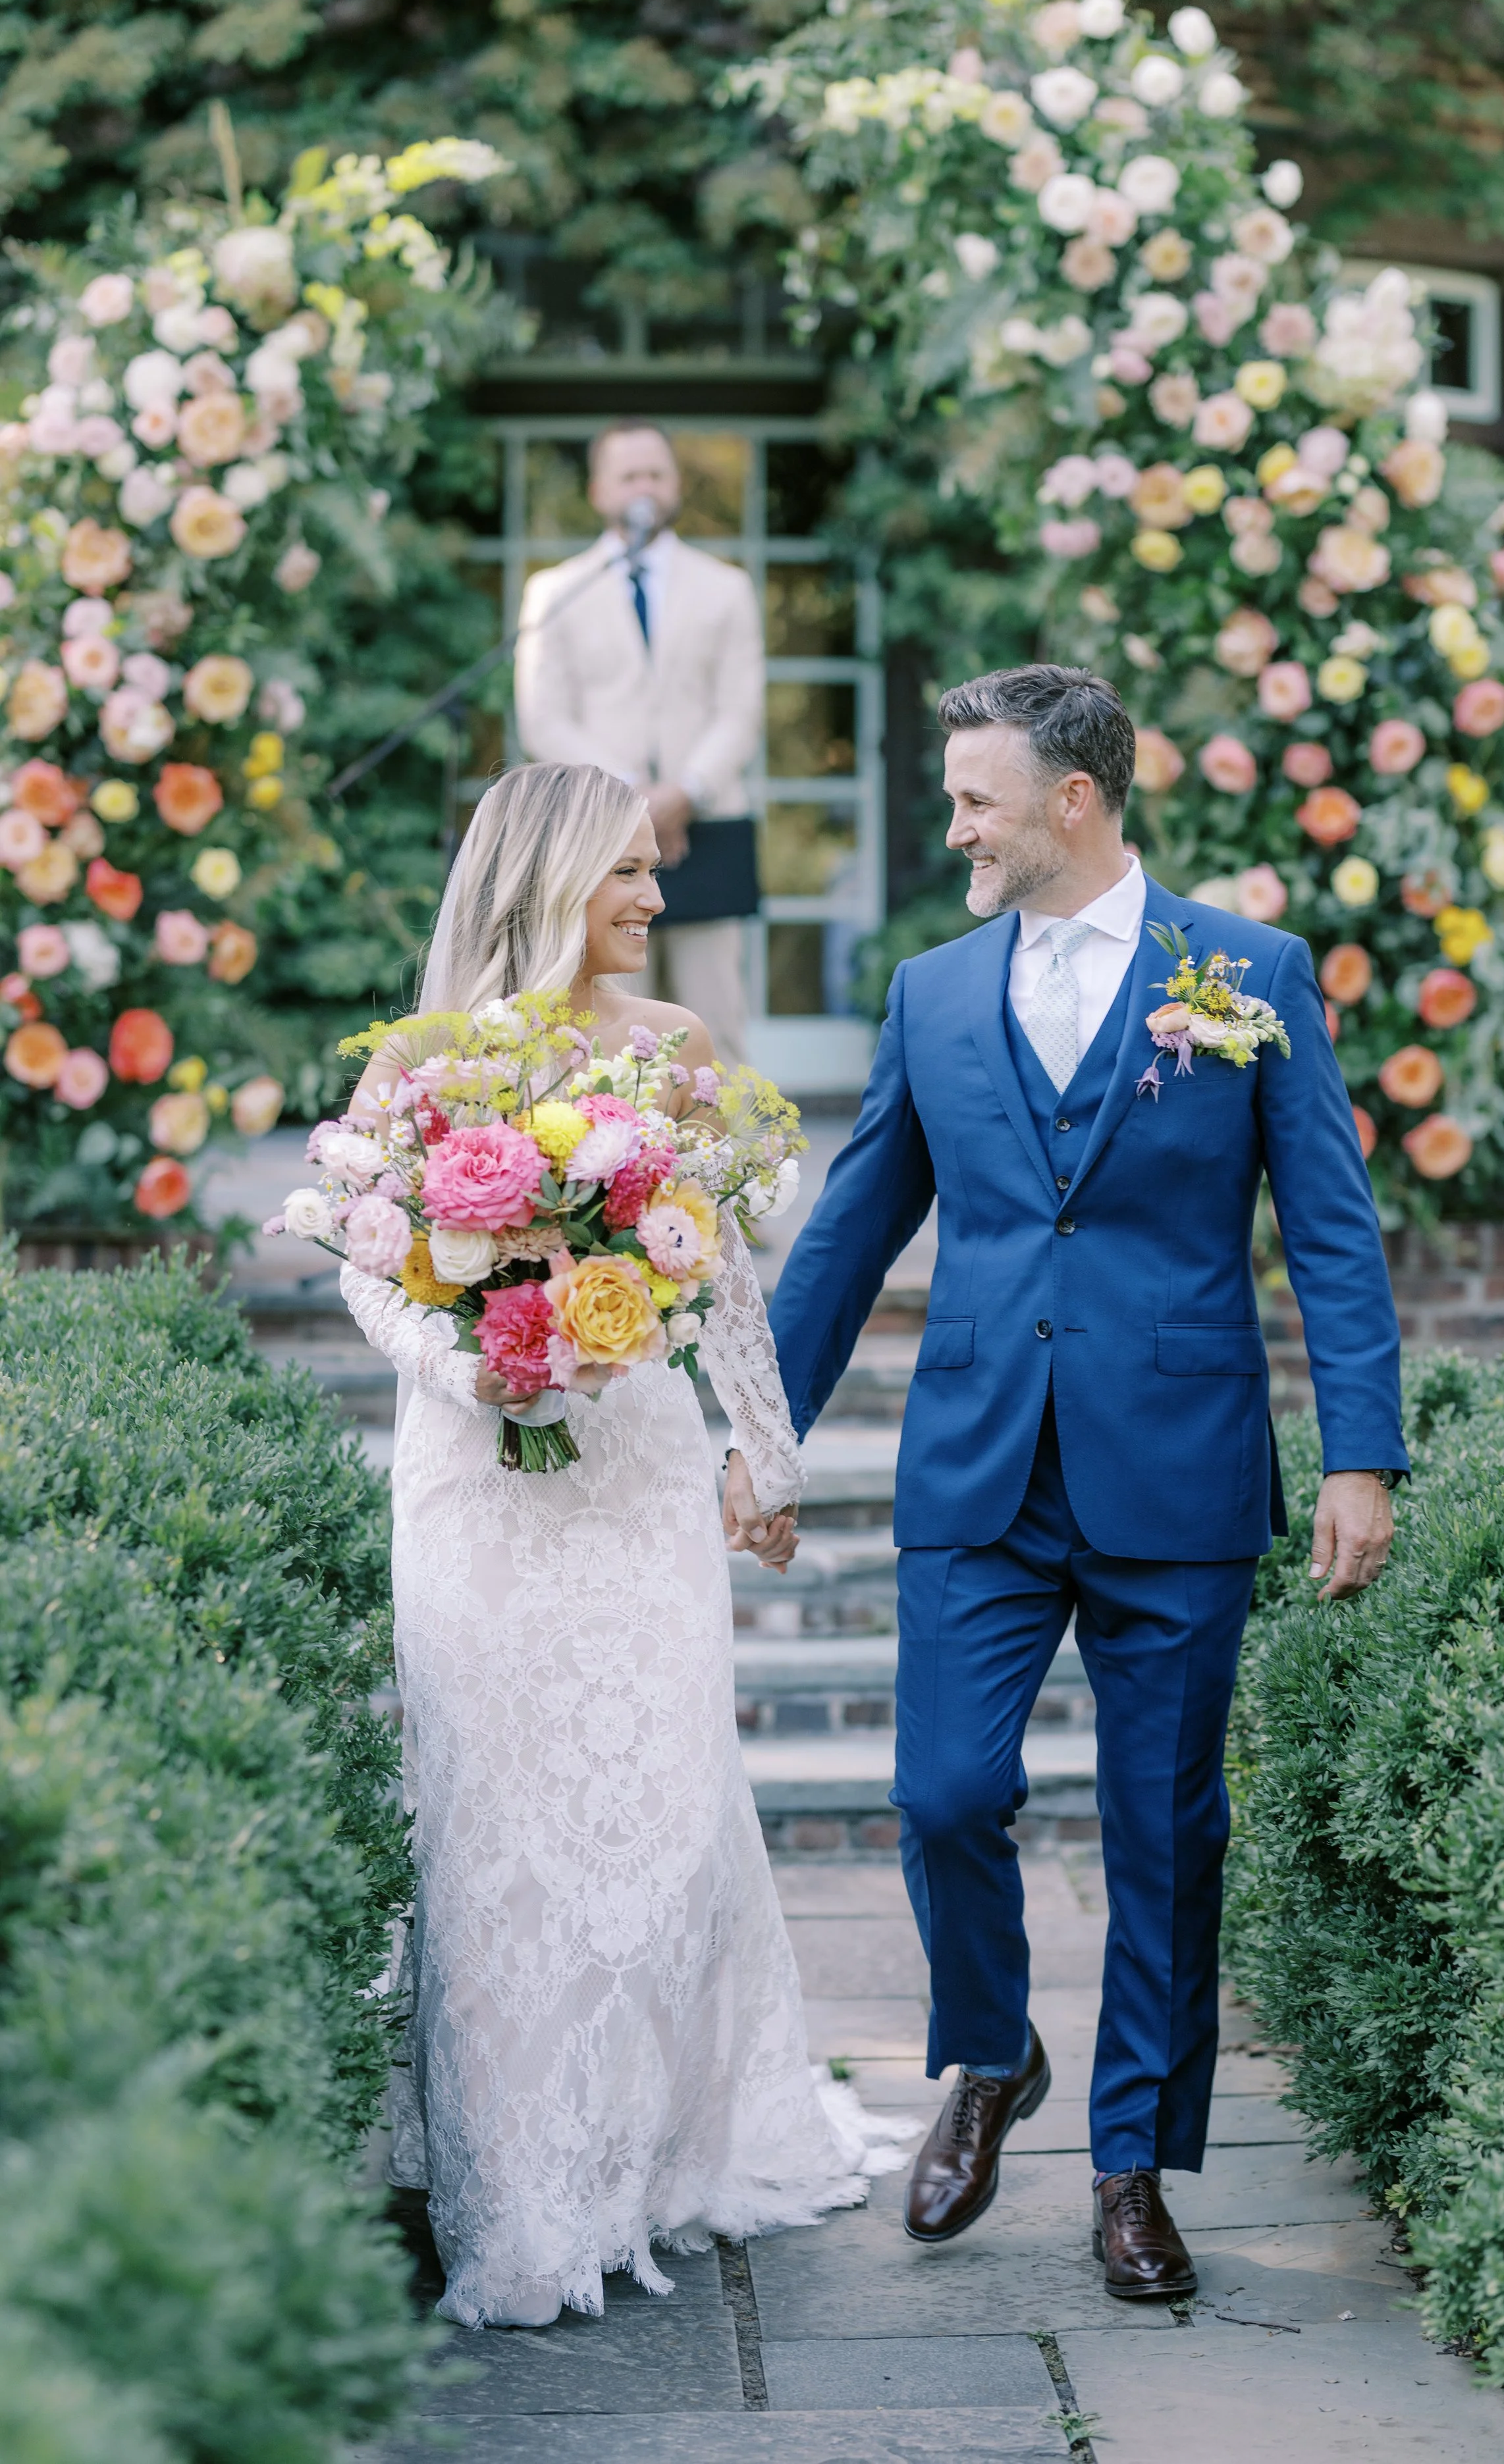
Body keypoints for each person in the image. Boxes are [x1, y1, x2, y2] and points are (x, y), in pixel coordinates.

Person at [767, 665, 1407, 2300]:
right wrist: (756, 1435)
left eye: (976, 796)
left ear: (1075, 799)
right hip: (979, 1457)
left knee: (1161, 1830)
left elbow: (1327, 1221)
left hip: (1179, 1465)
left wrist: (1357, 1450)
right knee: (945, 1793)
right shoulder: (931, 990)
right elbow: (847, 1233)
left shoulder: (1242, 974)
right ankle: (989, 2052)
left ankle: (1133, 2165)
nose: (954, 824)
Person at [337, 762, 909, 2328]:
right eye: (630, 875)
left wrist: (766, 1459)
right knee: (493, 1821)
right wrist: (479, 1367)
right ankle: (523, 2185)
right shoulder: (424, 1062)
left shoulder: (678, 1051)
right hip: (481, 1480)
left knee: (655, 1808)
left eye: (656, 872)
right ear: (545, 879)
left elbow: (720, 1276)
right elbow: (371, 1266)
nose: (658, 900)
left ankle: (652, 2141)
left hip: (636, 1475)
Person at [513, 423, 765, 1064]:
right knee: (613, 1028)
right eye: (629, 476)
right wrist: (633, 800)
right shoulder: (556, 591)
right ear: (600, 492)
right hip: (602, 834)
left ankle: (734, 1162)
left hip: (707, 820)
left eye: (655, 473)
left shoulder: (726, 587)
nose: (644, 487)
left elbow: (740, 709)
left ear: (675, 485)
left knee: (717, 1025)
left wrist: (684, 793)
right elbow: (543, 718)